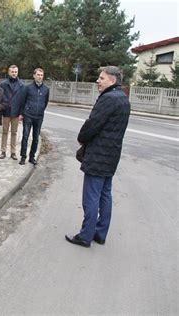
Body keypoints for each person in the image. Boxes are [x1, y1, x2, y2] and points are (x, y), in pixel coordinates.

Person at [65, 66, 130, 248]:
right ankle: (100, 233)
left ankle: (85, 236)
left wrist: (81, 138)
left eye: (101, 78)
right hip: (111, 155)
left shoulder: (108, 98)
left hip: (98, 155)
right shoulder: (123, 99)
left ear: (112, 80)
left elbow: (93, 124)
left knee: (91, 197)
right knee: (105, 195)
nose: (97, 81)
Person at [13, 68, 49, 166]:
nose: (40, 76)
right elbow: (22, 102)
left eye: (41, 75)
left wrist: (41, 110)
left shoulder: (46, 89)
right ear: (34, 76)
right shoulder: (27, 88)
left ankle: (32, 157)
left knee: (36, 138)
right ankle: (23, 157)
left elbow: (45, 102)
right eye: (38, 74)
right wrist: (21, 114)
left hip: (39, 117)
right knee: (25, 136)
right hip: (28, 115)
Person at [0, 65, 24, 160]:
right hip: (6, 111)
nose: (14, 73)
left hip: (16, 113)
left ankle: (13, 152)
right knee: (4, 132)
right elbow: (1, 97)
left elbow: (22, 101)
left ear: (17, 72)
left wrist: (21, 113)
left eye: (15, 72)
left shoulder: (21, 85)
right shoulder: (3, 84)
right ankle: (3, 151)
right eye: (12, 71)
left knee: (14, 132)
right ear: (9, 72)